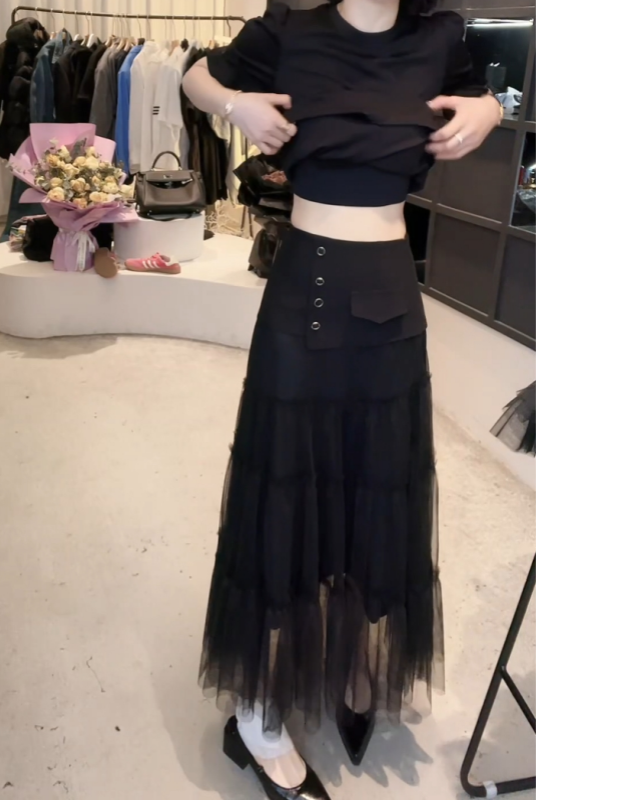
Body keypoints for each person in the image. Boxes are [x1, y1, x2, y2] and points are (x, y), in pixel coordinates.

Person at [181, 2, 502, 799]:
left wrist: (493, 109)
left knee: (375, 485)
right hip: (307, 294)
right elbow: (195, 77)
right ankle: (256, 716)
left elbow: (479, 95)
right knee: (285, 490)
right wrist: (234, 105)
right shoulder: (290, 31)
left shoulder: (439, 38)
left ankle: (345, 658)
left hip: (392, 304)